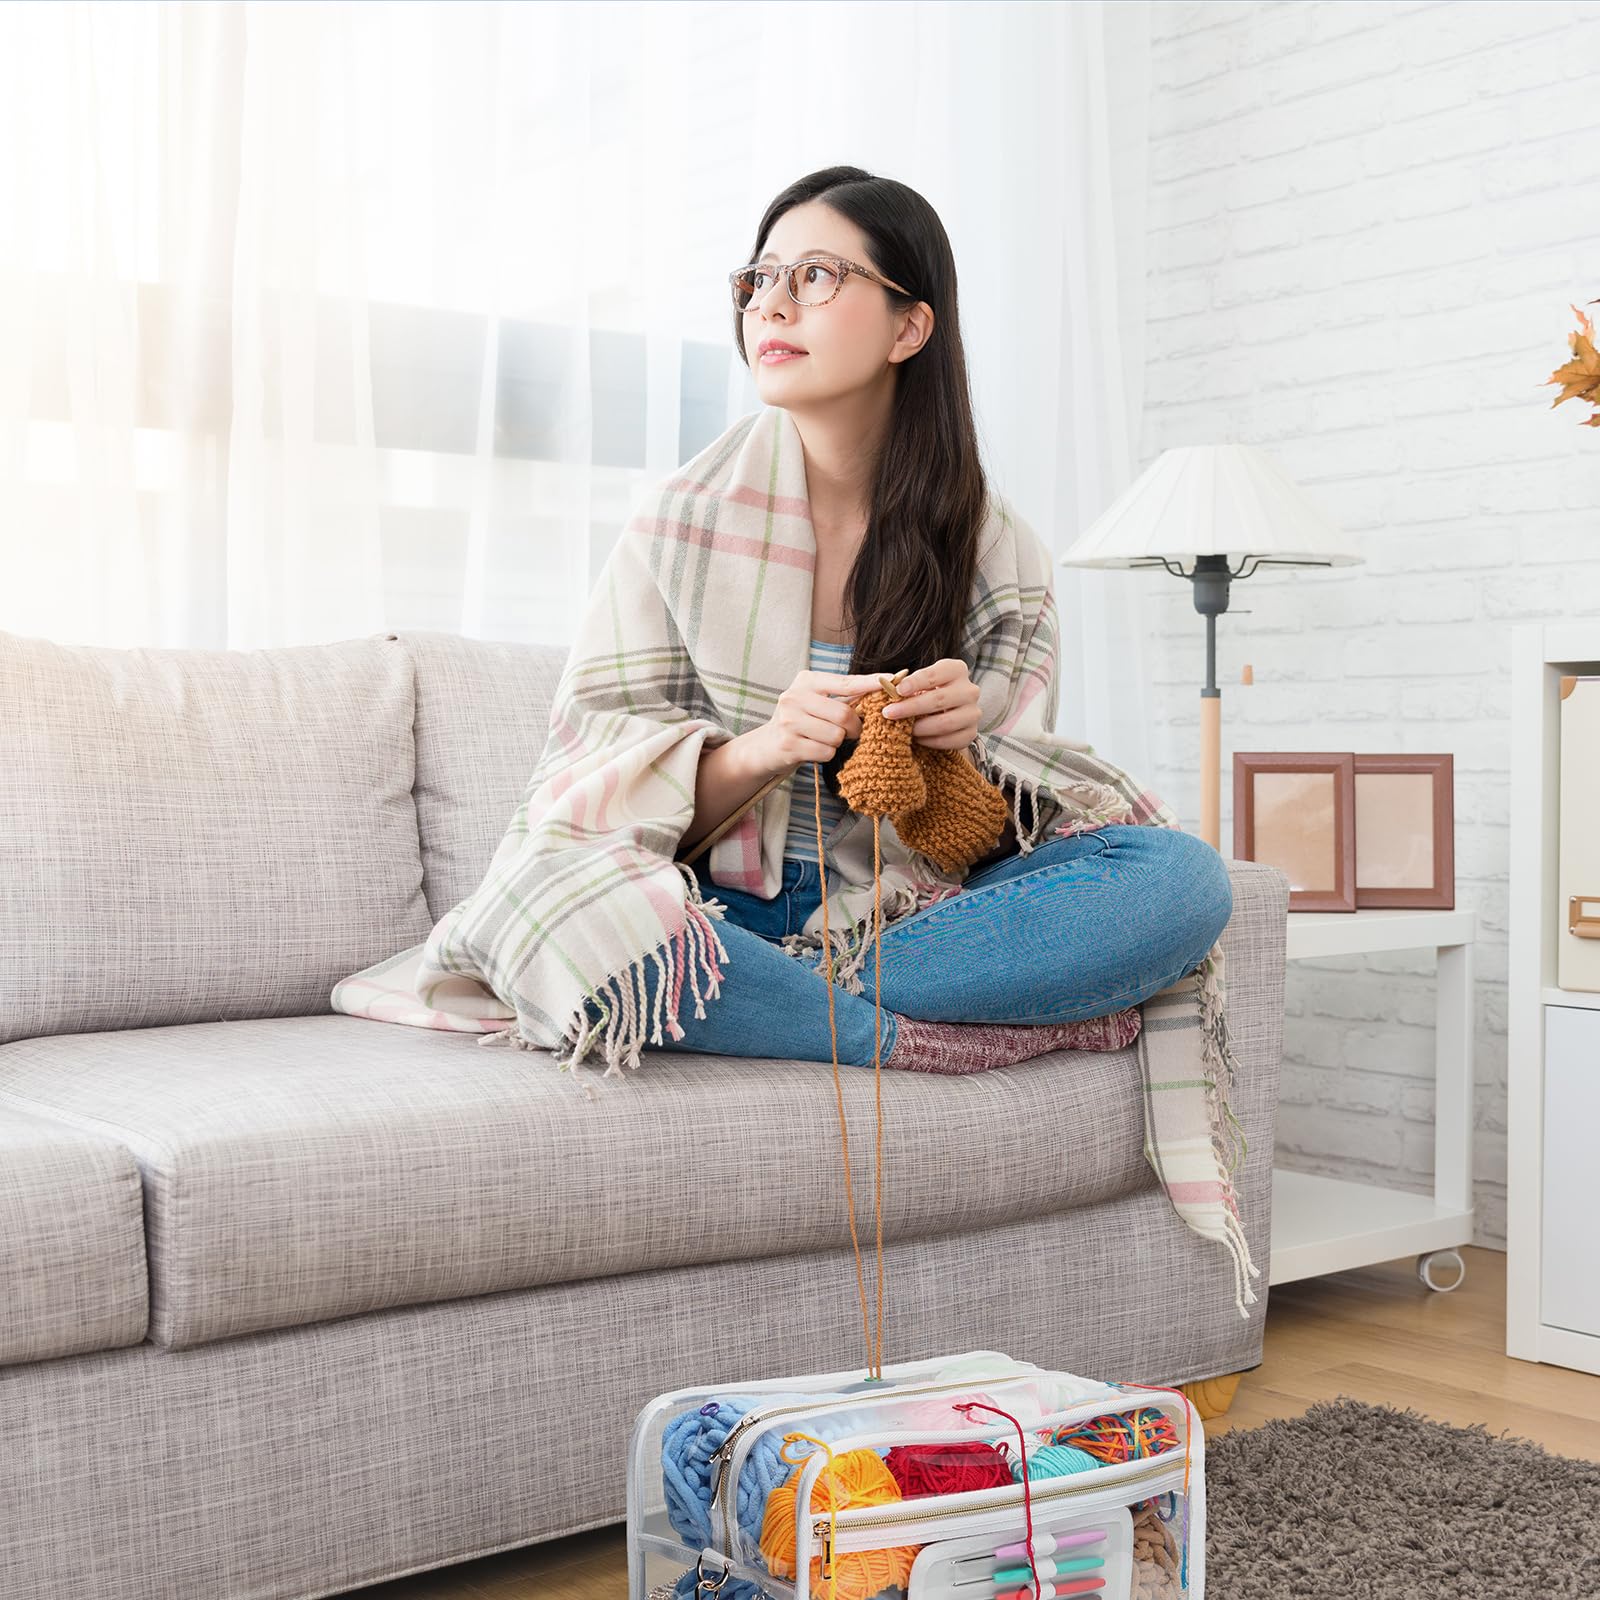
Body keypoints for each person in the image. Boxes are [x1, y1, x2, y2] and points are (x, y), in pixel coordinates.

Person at [596, 165, 1234, 1075]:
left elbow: (982, 844)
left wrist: (960, 749)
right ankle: (900, 1035)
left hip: (911, 914)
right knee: (588, 929)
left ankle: (798, 999)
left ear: (910, 326)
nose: (771, 306)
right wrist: (769, 745)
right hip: (709, 905)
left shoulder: (998, 551)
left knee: (1179, 882)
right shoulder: (674, 527)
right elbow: (595, 801)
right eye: (758, 279)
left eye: (815, 276)